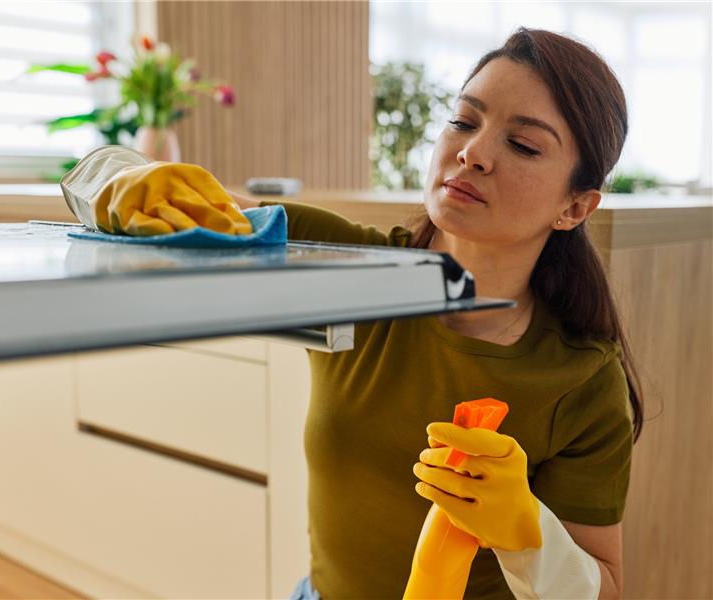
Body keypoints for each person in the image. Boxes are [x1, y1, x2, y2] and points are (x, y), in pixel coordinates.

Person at [232, 28, 642, 600]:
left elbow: (608, 588)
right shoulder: (347, 269)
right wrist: (120, 177)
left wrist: (526, 532)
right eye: (464, 122)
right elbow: (171, 209)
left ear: (575, 206)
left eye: (523, 144)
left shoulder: (581, 378)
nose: (473, 152)